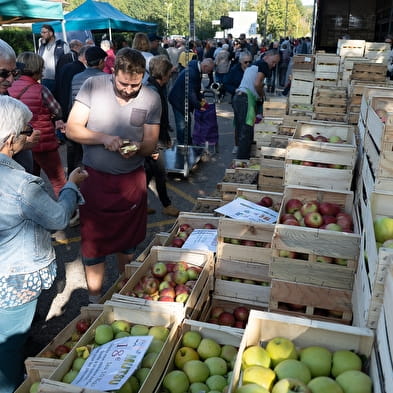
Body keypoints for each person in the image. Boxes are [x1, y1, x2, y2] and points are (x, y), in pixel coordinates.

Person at [0, 95, 87, 393]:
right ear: (10, 141)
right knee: (10, 345)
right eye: (26, 131)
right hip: (13, 277)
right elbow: (59, 218)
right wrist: (72, 185)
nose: (31, 134)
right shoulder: (23, 186)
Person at [66, 48, 161, 303]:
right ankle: (95, 301)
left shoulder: (151, 98)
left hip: (131, 183)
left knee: (128, 244)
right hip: (95, 181)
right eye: (123, 83)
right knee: (93, 246)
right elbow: (72, 130)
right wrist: (103, 138)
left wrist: (138, 148)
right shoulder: (93, 86)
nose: (129, 90)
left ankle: (124, 296)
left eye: (135, 85)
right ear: (112, 72)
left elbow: (151, 144)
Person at [8, 52, 67, 198]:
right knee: (58, 181)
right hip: (43, 141)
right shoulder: (41, 90)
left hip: (20, 143)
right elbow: (58, 111)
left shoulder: (8, 88)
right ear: (36, 69)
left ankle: (34, 210)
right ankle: (69, 213)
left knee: (28, 181)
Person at [145, 55, 179, 217]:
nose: (171, 75)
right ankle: (166, 204)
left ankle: (139, 203)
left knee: (149, 172)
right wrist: (160, 141)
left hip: (156, 138)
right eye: (169, 73)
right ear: (163, 74)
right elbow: (153, 120)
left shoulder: (156, 87)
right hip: (153, 139)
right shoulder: (153, 92)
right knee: (159, 172)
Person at [0, 39, 40, 174]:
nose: (11, 80)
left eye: (15, 73)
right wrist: (22, 142)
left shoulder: (4, 92)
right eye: (3, 73)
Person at [233, 49, 280, 159]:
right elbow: (257, 84)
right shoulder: (263, 65)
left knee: (241, 131)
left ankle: (240, 159)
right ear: (267, 57)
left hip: (238, 97)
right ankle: (242, 161)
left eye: (275, 64)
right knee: (247, 133)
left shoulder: (255, 65)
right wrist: (261, 95)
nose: (273, 66)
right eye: (273, 62)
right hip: (245, 100)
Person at [68, 46, 107, 177]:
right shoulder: (107, 79)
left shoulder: (75, 77)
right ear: (101, 61)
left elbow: (72, 100)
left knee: (84, 154)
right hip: (98, 123)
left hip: (79, 122)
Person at [168, 58, 214, 145]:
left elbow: (196, 90)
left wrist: (203, 103)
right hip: (178, 101)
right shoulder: (193, 73)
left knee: (186, 123)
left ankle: (187, 143)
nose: (209, 73)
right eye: (209, 71)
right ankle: (183, 146)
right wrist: (200, 106)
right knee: (182, 126)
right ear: (205, 66)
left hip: (181, 99)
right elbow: (191, 93)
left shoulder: (196, 69)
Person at [54, 45, 89, 123]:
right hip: (71, 109)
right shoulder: (80, 70)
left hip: (62, 105)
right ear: (85, 57)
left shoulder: (67, 66)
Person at [38, 24, 69, 93]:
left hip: (59, 80)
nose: (42, 34)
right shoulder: (42, 47)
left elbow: (68, 62)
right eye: (41, 32)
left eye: (44, 32)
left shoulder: (62, 45)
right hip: (44, 80)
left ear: (51, 33)